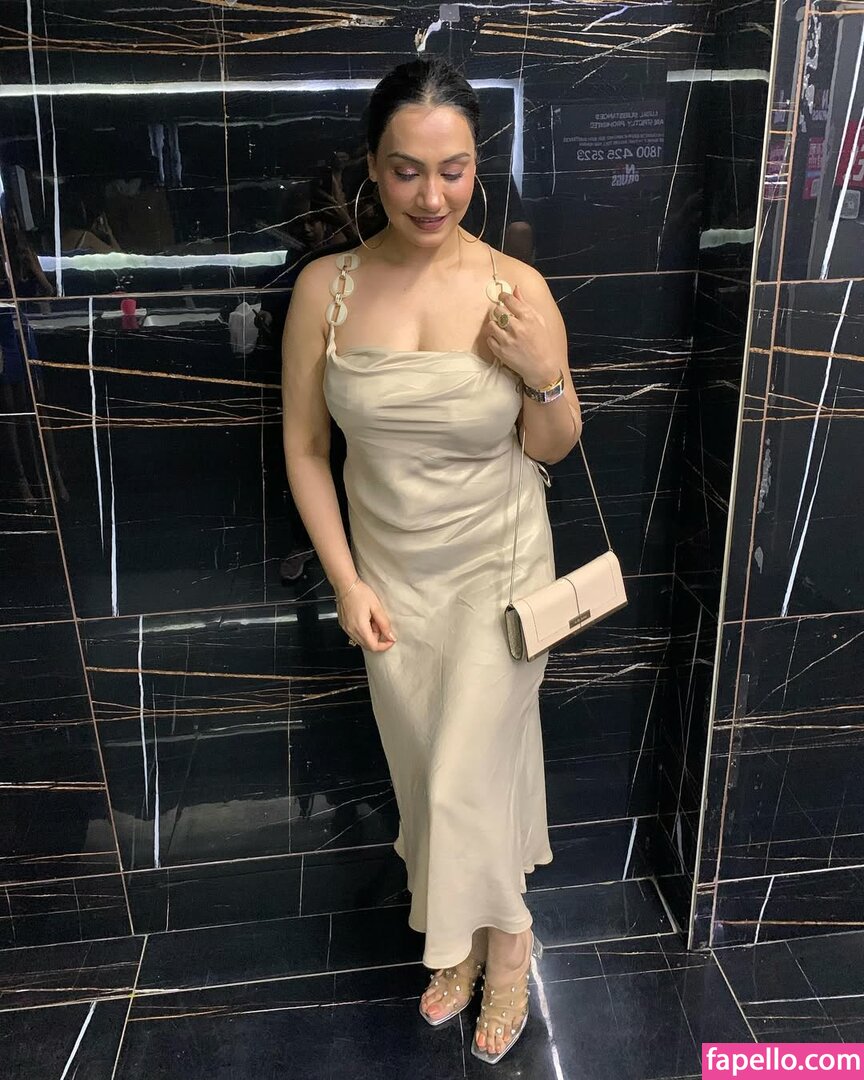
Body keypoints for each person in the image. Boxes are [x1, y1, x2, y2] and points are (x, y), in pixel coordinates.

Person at [281, 55, 582, 1065]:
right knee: (426, 773)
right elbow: (306, 449)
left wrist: (542, 374)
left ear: (477, 165)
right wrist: (346, 581)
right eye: (407, 170)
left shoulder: (514, 286)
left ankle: (506, 945)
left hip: (502, 571)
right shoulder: (325, 289)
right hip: (391, 582)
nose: (431, 195)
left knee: (460, 778)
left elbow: (553, 446)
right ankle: (458, 936)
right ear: (373, 167)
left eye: (452, 170)